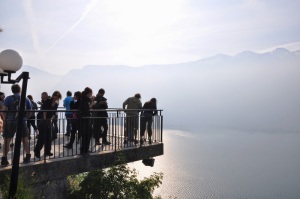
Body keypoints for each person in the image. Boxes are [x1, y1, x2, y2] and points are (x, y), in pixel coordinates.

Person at [1, 84, 32, 166]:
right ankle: (28, 156)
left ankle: (4, 159)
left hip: (10, 121)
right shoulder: (25, 98)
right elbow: (30, 110)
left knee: (7, 140)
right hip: (22, 121)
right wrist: (26, 118)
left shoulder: (8, 98)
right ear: (20, 89)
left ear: (12, 90)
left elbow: (4, 110)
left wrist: (4, 120)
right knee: (24, 139)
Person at [34, 91, 62, 158]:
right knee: (42, 137)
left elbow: (53, 113)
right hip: (42, 120)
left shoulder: (55, 104)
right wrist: (44, 120)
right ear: (53, 95)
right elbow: (44, 111)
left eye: (58, 97)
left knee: (49, 137)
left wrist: (51, 120)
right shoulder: (48, 101)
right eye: (56, 96)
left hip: (49, 120)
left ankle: (47, 151)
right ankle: (37, 151)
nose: (56, 97)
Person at [79, 87, 95, 155]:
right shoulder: (85, 99)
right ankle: (85, 150)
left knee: (85, 135)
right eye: (91, 93)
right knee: (87, 135)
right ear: (89, 93)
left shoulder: (83, 98)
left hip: (84, 118)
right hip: (85, 119)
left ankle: (83, 149)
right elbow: (86, 108)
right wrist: (92, 103)